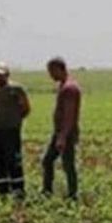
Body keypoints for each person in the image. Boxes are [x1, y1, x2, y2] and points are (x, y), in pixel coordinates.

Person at [0, 62, 31, 198]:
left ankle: (18, 190)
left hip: (11, 131)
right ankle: (3, 190)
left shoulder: (16, 89)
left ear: (7, 76)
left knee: (13, 159)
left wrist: (15, 121)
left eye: (0, 76)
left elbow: (26, 108)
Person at [42, 57, 81, 200]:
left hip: (65, 133)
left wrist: (62, 136)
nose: (50, 75)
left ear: (59, 69)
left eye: (51, 71)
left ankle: (72, 194)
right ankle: (48, 191)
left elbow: (69, 115)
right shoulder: (63, 86)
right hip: (60, 132)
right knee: (49, 161)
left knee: (67, 164)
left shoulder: (69, 88)